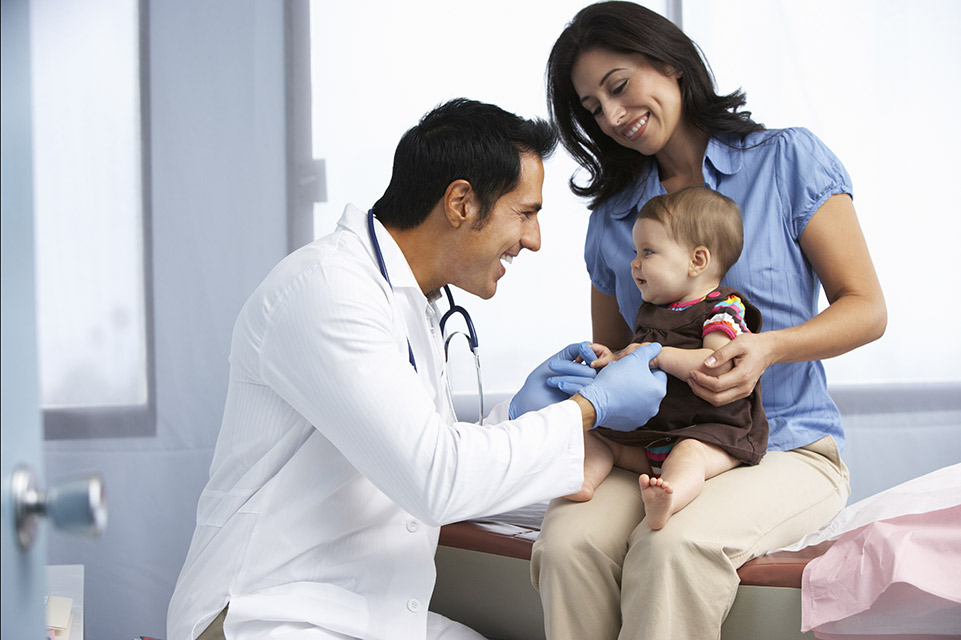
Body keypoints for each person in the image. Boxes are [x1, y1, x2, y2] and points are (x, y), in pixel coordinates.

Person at [166, 97, 668, 640]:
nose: (534, 240)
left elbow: (423, 452)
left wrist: (519, 415)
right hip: (268, 616)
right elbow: (435, 479)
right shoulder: (327, 290)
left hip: (368, 617)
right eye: (524, 213)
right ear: (460, 203)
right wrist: (587, 410)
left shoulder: (411, 302)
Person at [530, 3, 887, 639]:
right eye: (592, 108)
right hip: (655, 447)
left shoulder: (787, 161)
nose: (612, 117)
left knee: (673, 549)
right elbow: (617, 361)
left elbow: (866, 307)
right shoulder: (613, 220)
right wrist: (588, 380)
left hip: (786, 445)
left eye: (618, 87)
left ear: (669, 62)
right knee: (565, 544)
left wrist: (769, 348)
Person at [557, 186, 768, 532]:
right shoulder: (653, 313)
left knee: (689, 458)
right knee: (593, 434)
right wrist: (614, 358)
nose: (634, 263)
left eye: (648, 252)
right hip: (651, 434)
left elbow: (718, 361)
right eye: (635, 252)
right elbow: (639, 358)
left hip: (710, 431)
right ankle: (586, 479)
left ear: (696, 260)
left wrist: (660, 355)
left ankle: (668, 499)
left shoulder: (723, 309)